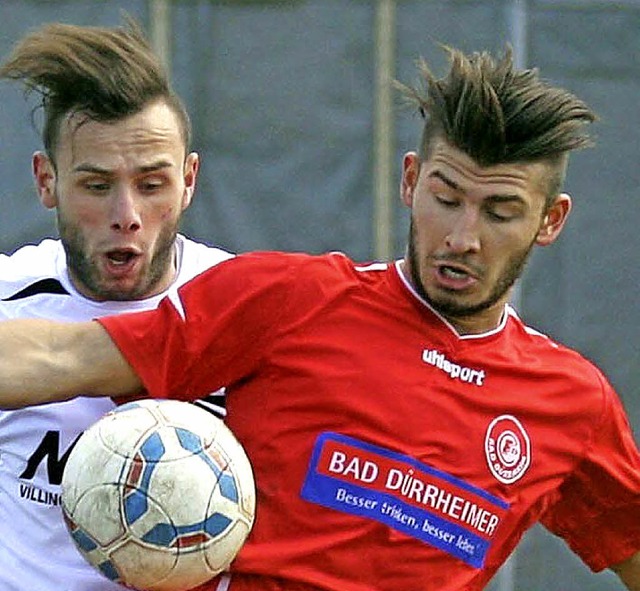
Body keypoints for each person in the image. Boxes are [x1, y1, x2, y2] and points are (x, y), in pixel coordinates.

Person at [0, 46, 639, 591]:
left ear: (549, 220)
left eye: (499, 212)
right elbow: (64, 358)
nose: (462, 236)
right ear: (410, 181)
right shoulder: (290, 299)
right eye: (446, 198)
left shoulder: (572, 404)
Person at [0, 19, 232, 591]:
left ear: (189, 180)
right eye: (97, 186)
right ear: (46, 180)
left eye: (152, 185)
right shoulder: (8, 299)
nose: (125, 213)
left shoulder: (239, 306)